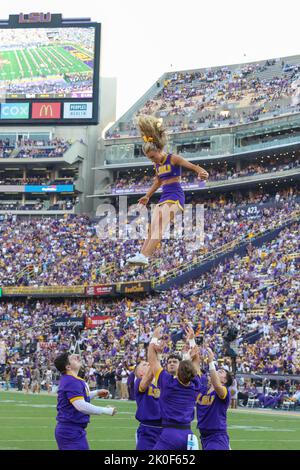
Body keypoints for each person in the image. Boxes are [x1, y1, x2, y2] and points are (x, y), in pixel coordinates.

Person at [127, 115, 209, 265]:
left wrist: (202, 172)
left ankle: (145, 256)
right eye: (150, 158)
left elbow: (192, 166)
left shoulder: (173, 158)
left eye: (153, 156)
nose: (153, 160)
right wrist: (147, 196)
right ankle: (141, 254)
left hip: (176, 195)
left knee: (161, 224)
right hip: (164, 195)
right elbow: (158, 181)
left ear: (158, 150)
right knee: (152, 227)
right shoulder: (156, 164)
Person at [148, 327, 201, 450]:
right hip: (188, 434)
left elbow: (152, 360)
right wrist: (192, 340)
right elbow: (197, 361)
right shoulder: (195, 384)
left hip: (170, 434)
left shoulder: (168, 382)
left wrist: (154, 338)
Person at [54, 352, 117, 450]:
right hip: (70, 430)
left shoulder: (72, 380)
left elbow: (79, 398)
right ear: (68, 367)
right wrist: (106, 410)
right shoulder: (72, 381)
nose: (77, 357)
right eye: (72, 358)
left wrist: (96, 393)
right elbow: (80, 405)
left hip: (72, 430)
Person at [196, 347, 232, 451]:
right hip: (204, 436)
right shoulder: (203, 389)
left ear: (224, 380)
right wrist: (192, 342)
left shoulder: (224, 390)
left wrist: (211, 362)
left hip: (217, 436)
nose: (216, 372)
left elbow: (216, 385)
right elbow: (195, 371)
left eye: (220, 372)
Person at [134, 360, 162, 450]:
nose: (149, 364)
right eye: (145, 365)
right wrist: (154, 362)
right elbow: (146, 381)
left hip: (165, 429)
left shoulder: (161, 381)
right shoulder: (139, 382)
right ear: (140, 372)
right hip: (148, 429)